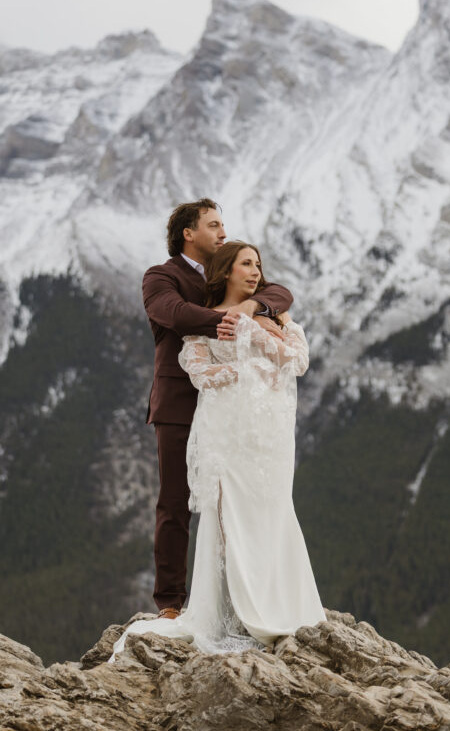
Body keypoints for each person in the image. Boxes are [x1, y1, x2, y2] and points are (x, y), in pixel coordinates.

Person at [110, 241, 325, 658]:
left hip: (268, 434)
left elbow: (296, 360)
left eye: (258, 264)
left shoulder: (272, 312)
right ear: (226, 271)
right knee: (227, 512)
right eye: (246, 264)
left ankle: (276, 600)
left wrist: (257, 331)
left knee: (270, 509)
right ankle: (229, 611)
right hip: (226, 431)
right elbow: (198, 370)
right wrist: (238, 358)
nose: (255, 272)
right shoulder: (206, 322)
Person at [141, 199, 294, 619]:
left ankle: (236, 600)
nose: (222, 232)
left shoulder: (230, 273)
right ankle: (171, 603)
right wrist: (229, 320)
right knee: (175, 501)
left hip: (231, 410)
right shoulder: (161, 276)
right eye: (213, 225)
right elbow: (173, 314)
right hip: (180, 404)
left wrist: (251, 306)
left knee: (235, 500)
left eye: (223, 224)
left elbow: (282, 294)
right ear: (188, 233)